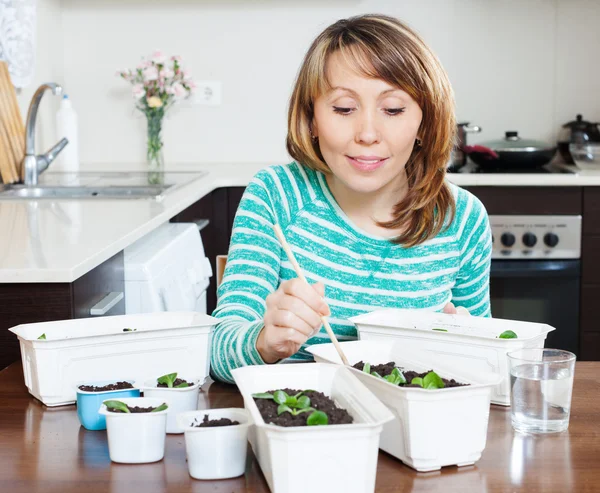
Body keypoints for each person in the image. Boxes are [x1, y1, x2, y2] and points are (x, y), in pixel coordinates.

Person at [210, 14, 492, 383]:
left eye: (392, 110)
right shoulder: (276, 195)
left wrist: (471, 347)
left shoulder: (462, 217)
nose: (368, 133)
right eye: (344, 109)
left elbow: (490, 362)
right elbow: (217, 352)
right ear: (311, 117)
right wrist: (264, 341)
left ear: (425, 122)